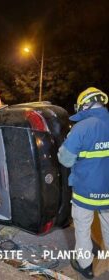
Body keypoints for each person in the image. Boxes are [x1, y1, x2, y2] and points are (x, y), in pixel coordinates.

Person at [58, 87, 109, 279]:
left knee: (82, 227)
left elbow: (66, 160)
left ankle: (85, 266)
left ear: (85, 104)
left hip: (85, 191)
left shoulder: (82, 127)